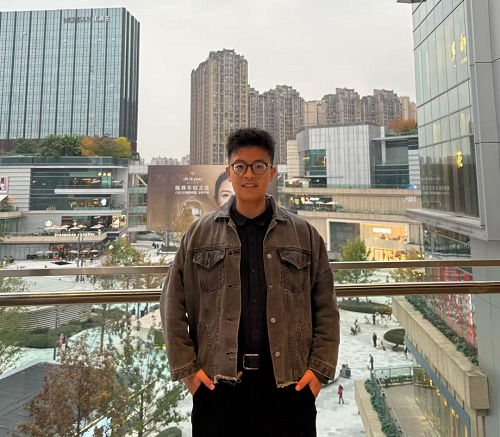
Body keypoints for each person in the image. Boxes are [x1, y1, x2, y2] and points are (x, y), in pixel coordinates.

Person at [160, 128, 340, 437]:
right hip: (217, 387)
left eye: (258, 166)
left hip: (290, 386)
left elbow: (326, 309)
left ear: (272, 172)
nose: (249, 174)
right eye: (240, 166)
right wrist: (189, 372)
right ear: (229, 171)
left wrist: (318, 371)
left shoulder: (304, 234)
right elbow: (171, 305)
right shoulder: (200, 234)